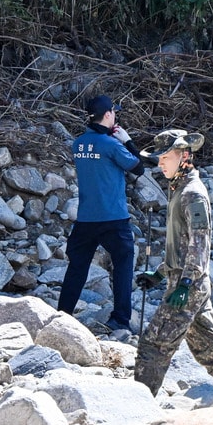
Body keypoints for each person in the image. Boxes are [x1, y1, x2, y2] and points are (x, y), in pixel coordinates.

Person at [133, 130, 213, 404]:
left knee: (153, 346)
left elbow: (200, 247)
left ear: (184, 156)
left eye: (166, 157)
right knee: (206, 346)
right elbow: (182, 244)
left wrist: (185, 285)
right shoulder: (179, 188)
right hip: (186, 281)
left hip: (189, 285)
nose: (161, 163)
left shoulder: (192, 194)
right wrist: (159, 274)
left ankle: (137, 405)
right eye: (159, 158)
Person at [58, 94, 146, 332]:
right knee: (123, 264)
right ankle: (119, 320)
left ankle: (62, 316)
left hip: (86, 218)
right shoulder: (111, 145)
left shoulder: (78, 144)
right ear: (108, 115)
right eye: (114, 112)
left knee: (77, 267)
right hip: (114, 218)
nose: (115, 114)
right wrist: (127, 140)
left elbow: (96, 152)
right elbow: (139, 167)